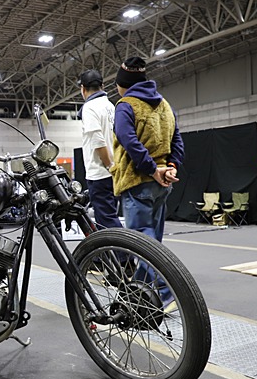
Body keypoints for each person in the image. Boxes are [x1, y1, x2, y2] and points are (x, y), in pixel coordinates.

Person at [110, 56, 183, 243]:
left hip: (137, 180)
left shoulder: (125, 105)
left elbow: (129, 141)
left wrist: (151, 169)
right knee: (155, 242)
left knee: (142, 243)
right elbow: (176, 139)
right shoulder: (165, 105)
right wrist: (172, 166)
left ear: (123, 84)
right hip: (162, 182)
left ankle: (149, 266)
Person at [77, 69, 122, 229]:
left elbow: (98, 141)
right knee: (110, 215)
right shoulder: (110, 106)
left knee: (106, 220)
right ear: (102, 86)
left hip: (100, 172)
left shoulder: (89, 107)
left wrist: (109, 165)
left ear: (83, 88)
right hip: (114, 171)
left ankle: (124, 246)